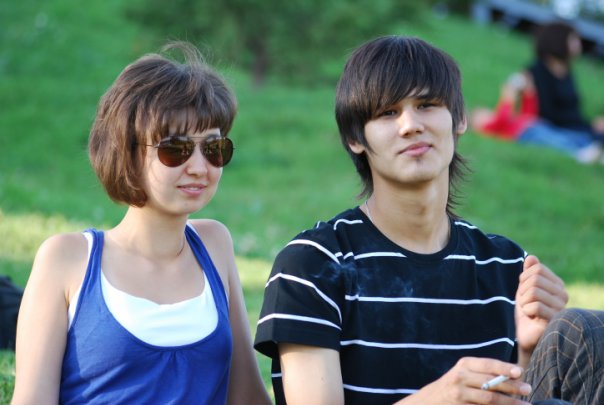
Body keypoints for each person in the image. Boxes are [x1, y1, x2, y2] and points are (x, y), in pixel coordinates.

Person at [254, 35, 604, 404]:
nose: (410, 125)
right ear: (355, 137)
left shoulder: (507, 266)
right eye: (388, 113)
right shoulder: (314, 265)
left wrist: (530, 353)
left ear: (460, 119)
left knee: (585, 332)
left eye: (426, 105)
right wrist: (438, 398)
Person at [11, 42, 271, 404]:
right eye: (175, 149)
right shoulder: (67, 259)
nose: (200, 167)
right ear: (127, 152)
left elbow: (247, 396)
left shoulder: (215, 244)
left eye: (214, 148)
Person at [470, 71, 603, 163]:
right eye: (482, 115)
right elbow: (501, 119)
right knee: (555, 141)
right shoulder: (490, 128)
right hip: (527, 134)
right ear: (477, 127)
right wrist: (508, 98)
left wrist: (529, 94)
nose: (488, 113)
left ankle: (591, 147)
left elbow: (528, 115)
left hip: (535, 125)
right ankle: (578, 154)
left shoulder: (506, 121)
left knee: (565, 135)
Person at [526, 21, 604, 138]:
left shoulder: (566, 72)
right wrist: (590, 126)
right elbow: (546, 114)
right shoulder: (537, 72)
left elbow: (572, 113)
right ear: (558, 40)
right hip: (556, 132)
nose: (579, 44)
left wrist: (591, 124)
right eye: (573, 39)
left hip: (577, 128)